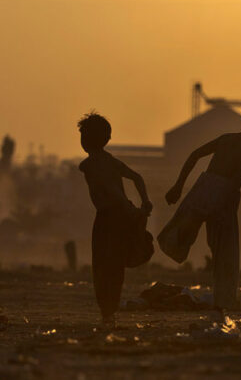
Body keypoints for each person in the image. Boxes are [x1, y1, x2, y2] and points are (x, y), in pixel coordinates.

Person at [159, 99, 241, 312]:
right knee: (226, 251)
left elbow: (195, 155)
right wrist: (223, 204)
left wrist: (178, 185)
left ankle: (220, 297)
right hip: (224, 194)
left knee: (178, 233)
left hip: (203, 186)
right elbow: (235, 179)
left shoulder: (226, 139)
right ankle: (224, 300)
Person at [77, 112, 153, 326]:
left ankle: (107, 312)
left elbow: (110, 190)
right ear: (107, 139)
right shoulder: (109, 161)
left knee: (102, 265)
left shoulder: (91, 165)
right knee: (115, 266)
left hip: (109, 218)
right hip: (121, 216)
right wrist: (143, 202)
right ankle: (109, 311)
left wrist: (131, 208)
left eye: (84, 136)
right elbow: (137, 178)